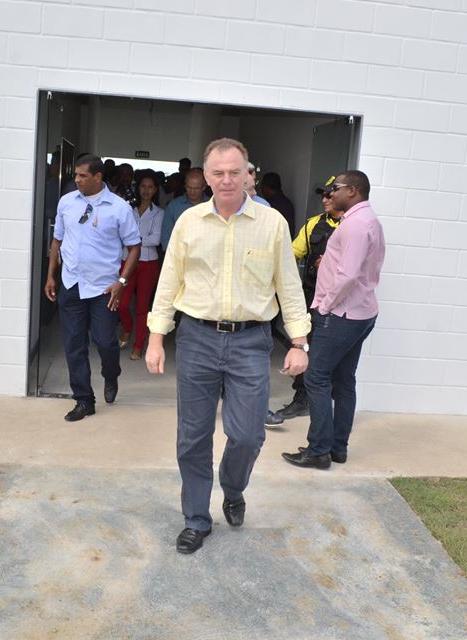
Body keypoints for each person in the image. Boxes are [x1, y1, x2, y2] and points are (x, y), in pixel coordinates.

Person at [146, 138, 311, 554]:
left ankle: (233, 489)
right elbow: (169, 282)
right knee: (193, 437)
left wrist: (299, 342)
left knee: (248, 435)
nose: (226, 180)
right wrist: (156, 337)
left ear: (248, 174)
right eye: (217, 173)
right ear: (206, 176)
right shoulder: (189, 222)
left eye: (234, 172)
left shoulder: (271, 223)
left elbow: (289, 286)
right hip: (197, 339)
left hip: (250, 342)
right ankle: (196, 519)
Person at [282, 170, 385, 469]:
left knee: (316, 378)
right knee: (343, 380)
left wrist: (325, 306)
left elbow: (348, 275)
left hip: (341, 315)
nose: (329, 194)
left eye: (335, 188)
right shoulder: (369, 220)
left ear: (352, 190)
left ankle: (318, 451)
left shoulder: (355, 224)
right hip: (360, 313)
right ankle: (337, 448)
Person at [44, 155, 141, 422]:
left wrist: (121, 282)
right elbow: (57, 240)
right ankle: (84, 400)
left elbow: (134, 247)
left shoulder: (119, 208)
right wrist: (51, 276)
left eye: (82, 176)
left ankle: (111, 374)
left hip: (103, 289)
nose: (76, 180)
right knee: (74, 345)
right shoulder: (67, 202)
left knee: (105, 341)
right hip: (71, 284)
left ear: (98, 177)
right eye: (75, 175)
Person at [265, 178, 343, 428]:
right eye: (323, 194)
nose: (325, 199)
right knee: (304, 347)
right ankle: (301, 398)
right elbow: (290, 255)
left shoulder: (353, 225)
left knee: (332, 357)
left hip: (341, 302)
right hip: (312, 296)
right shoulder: (313, 225)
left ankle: (329, 404)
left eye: (330, 194)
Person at [117, 172, 163, 360]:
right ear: (138, 187)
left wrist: (133, 240)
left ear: (155, 190)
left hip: (149, 263)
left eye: (150, 187)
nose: (146, 190)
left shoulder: (159, 213)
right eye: (143, 186)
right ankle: (128, 328)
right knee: (122, 303)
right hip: (127, 260)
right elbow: (120, 234)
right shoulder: (128, 209)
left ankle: (139, 344)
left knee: (142, 307)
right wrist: (140, 240)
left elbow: (156, 239)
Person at [160, 168, 207, 252]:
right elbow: (166, 236)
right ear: (185, 185)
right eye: (189, 187)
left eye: (196, 188)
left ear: (204, 187)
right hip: (179, 256)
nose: (192, 192)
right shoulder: (173, 206)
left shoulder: (213, 206)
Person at [259, 172, 296, 236]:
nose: (261, 189)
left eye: (262, 186)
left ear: (266, 188)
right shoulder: (287, 204)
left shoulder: (270, 205)